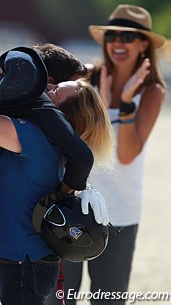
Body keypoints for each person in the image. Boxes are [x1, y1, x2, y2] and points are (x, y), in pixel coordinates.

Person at [0, 46, 111, 304]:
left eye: (56, 90)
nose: (47, 89)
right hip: (17, 257)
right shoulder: (50, 142)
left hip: (23, 261)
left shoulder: (33, 136)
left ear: (67, 115)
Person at [55, 4, 167, 305]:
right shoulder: (84, 81)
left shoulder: (153, 91)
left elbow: (127, 155)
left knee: (109, 300)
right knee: (59, 298)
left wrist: (126, 103)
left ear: (144, 44)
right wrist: (100, 98)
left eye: (127, 36)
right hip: (72, 204)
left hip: (121, 213)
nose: (117, 42)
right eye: (112, 35)